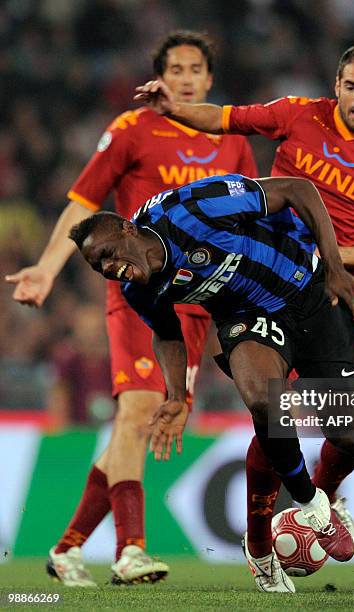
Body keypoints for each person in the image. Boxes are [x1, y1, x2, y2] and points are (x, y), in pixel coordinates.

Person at [134, 40, 354, 572]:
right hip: (265, 289)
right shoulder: (298, 114)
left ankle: (321, 502)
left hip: (334, 293)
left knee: (353, 421)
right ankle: (261, 537)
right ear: (336, 85)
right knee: (272, 410)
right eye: (351, 86)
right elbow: (225, 117)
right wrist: (174, 109)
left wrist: (326, 257)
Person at [5, 31, 257, 587]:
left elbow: (245, 221)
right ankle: (131, 550)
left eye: (196, 69)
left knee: (138, 424)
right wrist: (48, 267)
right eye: (176, 69)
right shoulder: (132, 130)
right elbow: (82, 201)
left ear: (209, 80)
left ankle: (68, 549)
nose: (187, 78)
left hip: (199, 305)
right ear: (160, 78)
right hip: (136, 297)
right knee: (141, 412)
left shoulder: (233, 143)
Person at [69, 173, 354, 594]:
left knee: (346, 428)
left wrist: (335, 265)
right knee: (263, 400)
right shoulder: (136, 288)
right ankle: (311, 506)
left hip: (308, 291)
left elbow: (297, 189)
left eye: (106, 254)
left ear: (128, 228)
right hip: (247, 316)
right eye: (97, 266)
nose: (108, 268)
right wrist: (177, 395)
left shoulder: (191, 209)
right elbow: (167, 333)